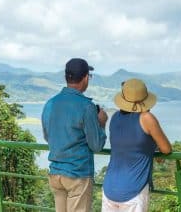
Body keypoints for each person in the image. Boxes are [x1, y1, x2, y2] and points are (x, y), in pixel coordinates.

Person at [42, 58, 108, 212]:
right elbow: (96, 145)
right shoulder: (86, 106)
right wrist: (102, 123)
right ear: (85, 78)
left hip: (56, 173)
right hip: (77, 174)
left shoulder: (50, 103)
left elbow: (48, 136)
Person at [102, 78, 172, 212]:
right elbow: (166, 149)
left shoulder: (115, 117)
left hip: (110, 188)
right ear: (145, 100)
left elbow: (130, 143)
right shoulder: (147, 118)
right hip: (134, 190)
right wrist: (154, 147)